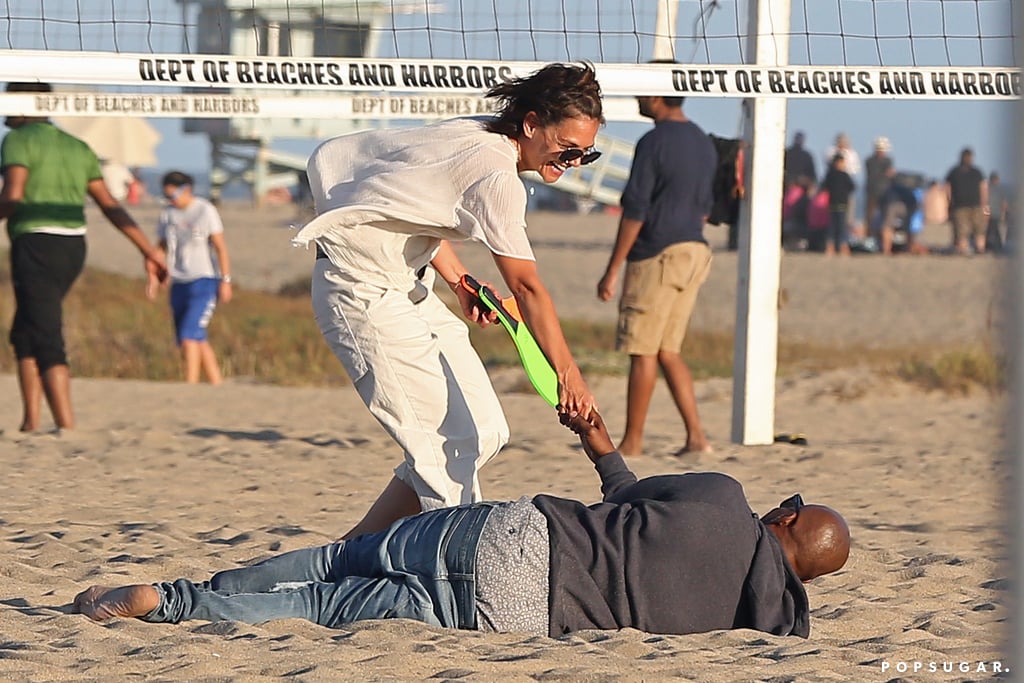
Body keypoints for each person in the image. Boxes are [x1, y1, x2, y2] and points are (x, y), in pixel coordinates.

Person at [72, 409, 851, 638]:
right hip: (521, 613)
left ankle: (171, 591)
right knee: (324, 610)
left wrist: (598, 439)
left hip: (523, 536)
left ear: (783, 515)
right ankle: (176, 611)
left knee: (337, 560)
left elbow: (625, 496)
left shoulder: (721, 494)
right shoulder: (760, 625)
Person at [290, 63, 603, 540]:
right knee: (446, 448)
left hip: (410, 285)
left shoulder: (477, 133)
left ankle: (351, 550)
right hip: (360, 292)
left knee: (485, 434)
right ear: (532, 124)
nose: (574, 162)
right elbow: (527, 288)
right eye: (568, 149)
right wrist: (569, 375)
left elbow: (415, 206)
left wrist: (458, 282)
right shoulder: (497, 176)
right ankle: (443, 570)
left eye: (588, 154)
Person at [0, 82, 166, 432]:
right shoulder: (78, 146)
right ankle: (30, 423)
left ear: (25, 104)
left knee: (45, 333)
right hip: (73, 247)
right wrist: (147, 249)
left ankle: (66, 427)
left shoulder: (17, 140)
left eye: (9, 98)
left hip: (36, 241)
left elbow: (12, 195)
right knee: (25, 329)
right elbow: (110, 206)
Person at [595, 85, 717, 457]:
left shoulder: (654, 142)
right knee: (668, 350)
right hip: (695, 248)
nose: (636, 97)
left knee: (642, 350)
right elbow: (707, 207)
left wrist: (612, 269)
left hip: (658, 252)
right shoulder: (703, 141)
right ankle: (696, 437)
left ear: (659, 96)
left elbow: (636, 210)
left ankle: (632, 441)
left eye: (643, 91)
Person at [146, 171, 233, 384]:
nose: (170, 200)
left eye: (172, 195)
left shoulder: (205, 210)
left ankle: (190, 385)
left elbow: (220, 247)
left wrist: (226, 280)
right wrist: (154, 277)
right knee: (197, 337)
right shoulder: (168, 214)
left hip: (203, 280)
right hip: (179, 281)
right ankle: (216, 383)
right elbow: (161, 247)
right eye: (166, 197)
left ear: (186, 190)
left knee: (188, 335)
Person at [945, 147, 988, 255]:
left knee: (963, 232)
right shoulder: (977, 172)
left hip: (961, 206)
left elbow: (947, 189)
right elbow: (983, 189)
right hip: (973, 206)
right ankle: (979, 250)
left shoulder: (954, 172)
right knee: (978, 231)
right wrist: (985, 206)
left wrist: (950, 202)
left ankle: (964, 250)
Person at [876, 169, 919, 255]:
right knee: (908, 228)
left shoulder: (889, 188)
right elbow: (914, 202)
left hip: (891, 204)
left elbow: (882, 201)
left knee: (887, 227)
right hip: (907, 206)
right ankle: (908, 247)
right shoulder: (907, 189)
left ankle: (886, 249)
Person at [821, 154, 855, 257]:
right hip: (832, 204)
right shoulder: (831, 175)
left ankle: (843, 247)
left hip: (842, 204)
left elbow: (852, 187)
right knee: (832, 227)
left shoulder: (845, 175)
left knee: (842, 227)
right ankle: (830, 247)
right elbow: (824, 186)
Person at [863, 136, 893, 235]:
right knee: (870, 215)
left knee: (884, 215)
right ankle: (870, 234)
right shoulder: (870, 161)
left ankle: (880, 234)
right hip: (873, 191)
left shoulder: (887, 161)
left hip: (884, 192)